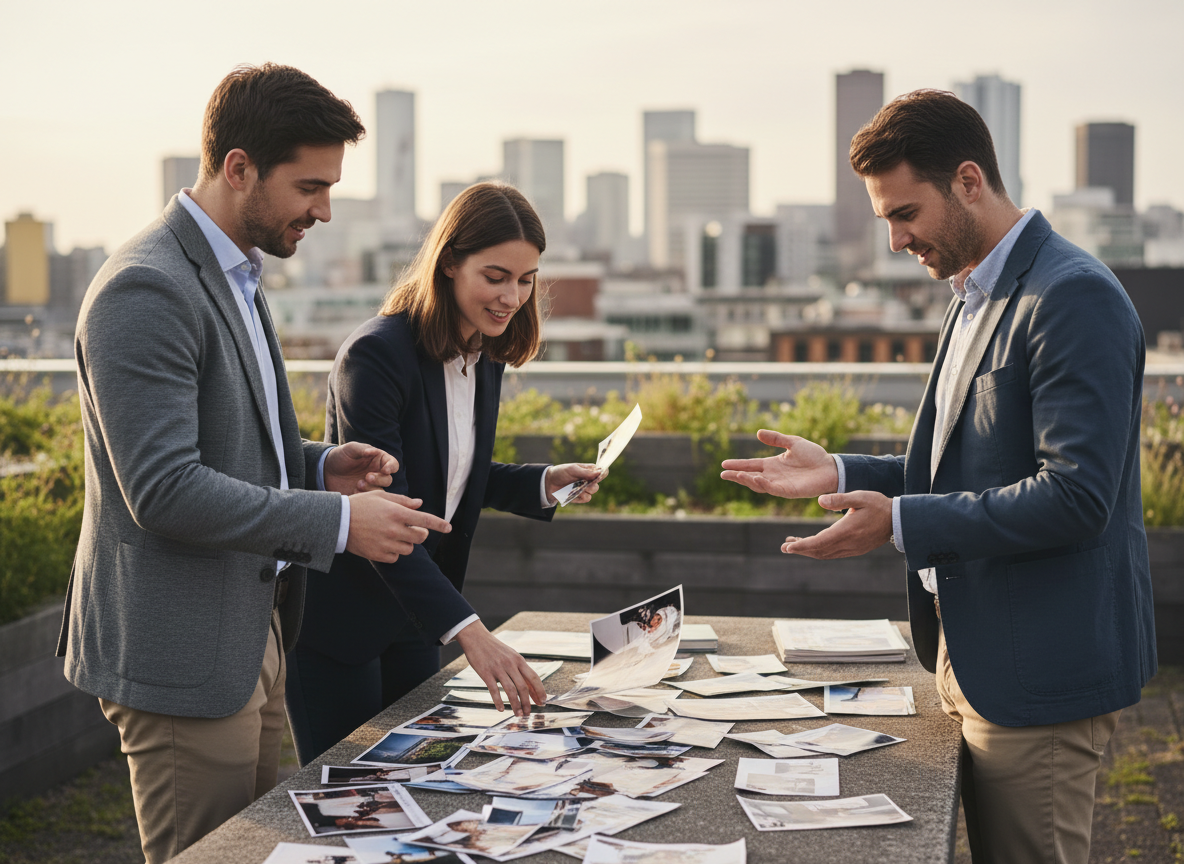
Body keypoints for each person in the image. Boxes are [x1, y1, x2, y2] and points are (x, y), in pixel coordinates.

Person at [722, 89, 1157, 864]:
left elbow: (1075, 497)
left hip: (1039, 674)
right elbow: (971, 466)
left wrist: (898, 523)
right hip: (977, 656)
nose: (895, 240)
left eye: (904, 213)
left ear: (968, 181)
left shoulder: (1072, 296)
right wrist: (841, 470)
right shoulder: (973, 295)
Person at [56, 64, 451, 864]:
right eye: (310, 187)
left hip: (251, 632)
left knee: (248, 852)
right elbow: (164, 490)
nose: (324, 210)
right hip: (183, 650)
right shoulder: (146, 288)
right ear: (239, 168)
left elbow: (229, 447)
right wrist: (339, 521)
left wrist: (319, 466)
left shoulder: (237, 272)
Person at [285, 182, 603, 765]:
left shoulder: (484, 354)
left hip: (415, 619)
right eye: (496, 276)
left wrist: (542, 482)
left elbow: (453, 476)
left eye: (526, 280)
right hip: (343, 625)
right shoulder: (375, 356)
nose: (512, 297)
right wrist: (471, 633)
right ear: (449, 262)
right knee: (346, 795)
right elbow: (393, 510)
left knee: (422, 780)